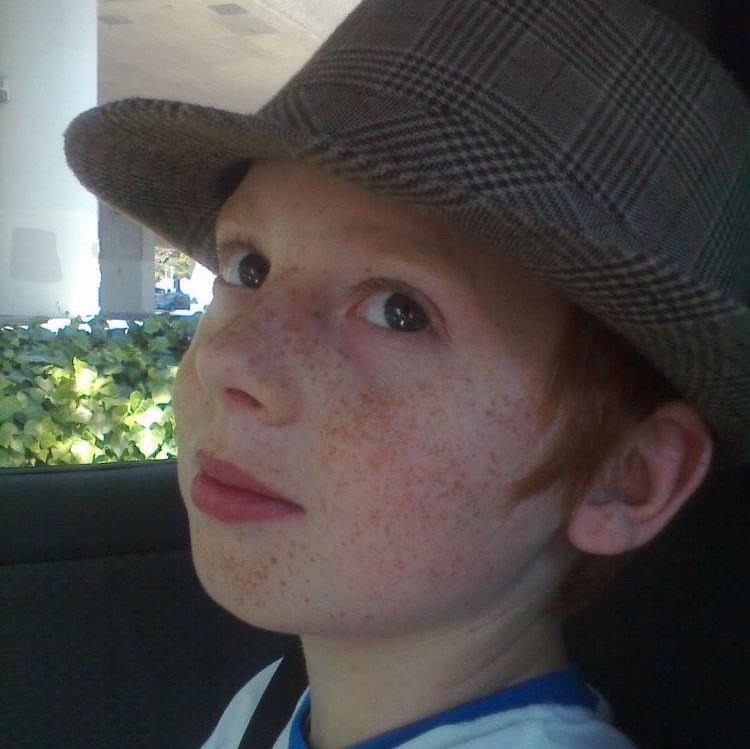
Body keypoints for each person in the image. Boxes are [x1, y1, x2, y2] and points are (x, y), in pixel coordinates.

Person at [64, 0, 749, 747]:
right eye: (248, 268)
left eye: (400, 311)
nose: (228, 358)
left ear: (622, 476)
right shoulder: (266, 705)